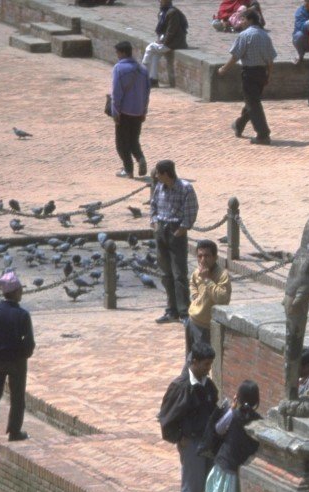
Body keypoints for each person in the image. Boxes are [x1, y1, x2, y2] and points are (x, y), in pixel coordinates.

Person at [157, 341, 219, 492]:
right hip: (191, 443)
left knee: (214, 482)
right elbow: (166, 417)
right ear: (194, 361)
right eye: (205, 365)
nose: (207, 369)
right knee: (193, 485)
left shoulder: (207, 386)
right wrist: (178, 438)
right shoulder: (180, 387)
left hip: (208, 441)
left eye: (210, 366)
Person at [204, 379, 261, 492]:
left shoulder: (233, 415)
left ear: (239, 397)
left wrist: (231, 408)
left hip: (225, 462)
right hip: (240, 465)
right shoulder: (258, 419)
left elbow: (219, 429)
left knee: (211, 491)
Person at [218, 9, 278, 145]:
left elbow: (235, 56)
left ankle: (263, 134)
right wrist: (269, 75)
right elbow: (270, 59)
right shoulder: (265, 36)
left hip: (249, 73)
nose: (241, 22)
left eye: (243, 19)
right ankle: (239, 125)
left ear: (250, 20)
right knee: (251, 102)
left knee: (253, 104)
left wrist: (224, 69)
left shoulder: (245, 35)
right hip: (262, 73)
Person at [150, 159, 199, 323]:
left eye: (158, 173)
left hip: (175, 231)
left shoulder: (185, 188)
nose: (156, 176)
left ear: (165, 174)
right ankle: (171, 310)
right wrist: (155, 223)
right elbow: (153, 206)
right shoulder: (159, 187)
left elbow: (191, 209)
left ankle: (184, 311)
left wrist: (182, 229)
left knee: (179, 274)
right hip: (161, 231)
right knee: (165, 274)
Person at [0, 272, 34, 443]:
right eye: (20, 290)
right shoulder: (23, 314)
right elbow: (29, 342)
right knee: (17, 398)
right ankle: (14, 432)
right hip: (17, 360)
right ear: (16, 292)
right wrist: (24, 355)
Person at [110, 41, 151, 179]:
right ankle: (140, 158)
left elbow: (117, 93)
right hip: (138, 111)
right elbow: (147, 92)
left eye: (117, 53)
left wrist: (115, 112)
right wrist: (144, 111)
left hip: (124, 112)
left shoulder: (119, 68)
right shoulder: (142, 70)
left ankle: (128, 170)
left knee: (121, 142)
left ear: (122, 53)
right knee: (134, 140)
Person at [185, 240, 232, 352]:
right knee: (191, 359)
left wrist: (207, 280)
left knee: (203, 361)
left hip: (207, 326)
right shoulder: (197, 272)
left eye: (207, 256)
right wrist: (195, 296)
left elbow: (221, 297)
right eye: (200, 256)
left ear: (215, 257)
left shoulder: (222, 275)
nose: (203, 260)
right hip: (192, 320)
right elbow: (192, 283)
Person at [140, 0, 188, 87]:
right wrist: (159, 40)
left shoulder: (172, 12)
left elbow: (171, 31)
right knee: (155, 56)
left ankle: (142, 76)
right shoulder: (162, 12)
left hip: (175, 42)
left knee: (149, 49)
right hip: (165, 41)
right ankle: (153, 80)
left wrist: (163, 42)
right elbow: (161, 31)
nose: (160, 2)